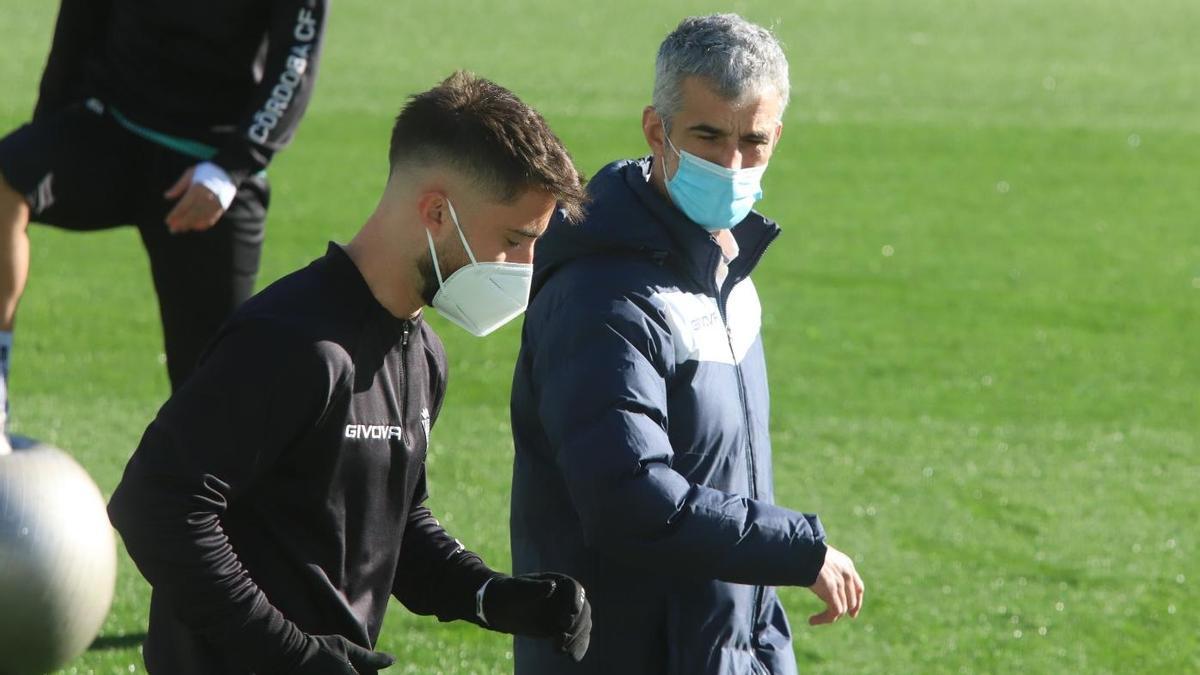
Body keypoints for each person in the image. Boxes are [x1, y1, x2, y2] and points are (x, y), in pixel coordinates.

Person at [108, 71, 592, 675]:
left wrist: (490, 596)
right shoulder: (291, 342)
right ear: (438, 212)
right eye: (516, 241)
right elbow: (157, 503)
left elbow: (392, 525)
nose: (527, 267)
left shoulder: (421, 353)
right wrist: (291, 658)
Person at [509, 14, 865, 674]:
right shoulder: (601, 298)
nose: (731, 164)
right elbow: (630, 499)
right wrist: (797, 549)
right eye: (708, 136)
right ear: (657, 129)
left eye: (753, 142)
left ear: (777, 136)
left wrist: (765, 649)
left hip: (729, 651)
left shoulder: (728, 269)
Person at [0, 0, 330, 445]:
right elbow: (81, 14)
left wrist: (232, 168)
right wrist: (50, 126)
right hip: (109, 130)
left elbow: (295, 60)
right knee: (6, 178)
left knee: (210, 400)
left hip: (207, 169)